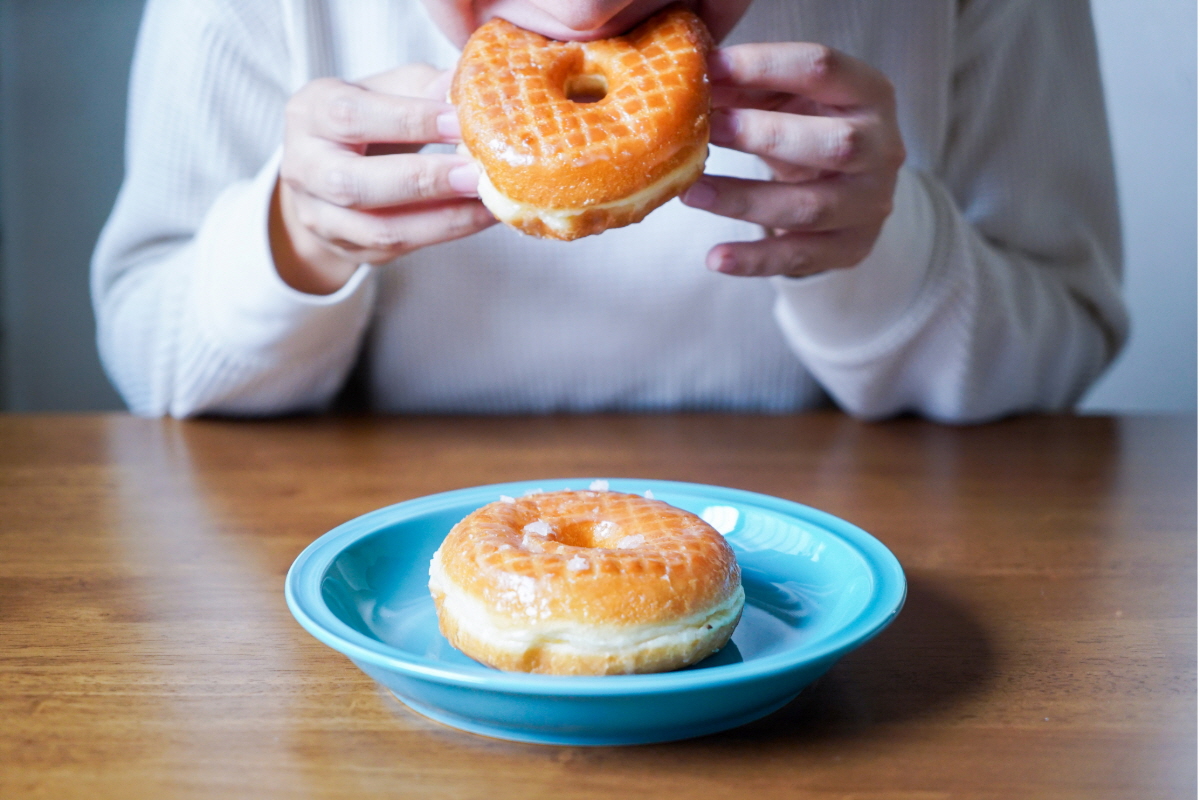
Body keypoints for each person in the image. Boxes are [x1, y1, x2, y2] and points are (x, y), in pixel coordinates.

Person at [91, 0, 1127, 422]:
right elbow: (152, 353)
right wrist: (294, 237)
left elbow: (1069, 339)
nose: (588, 10)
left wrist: (887, 243)